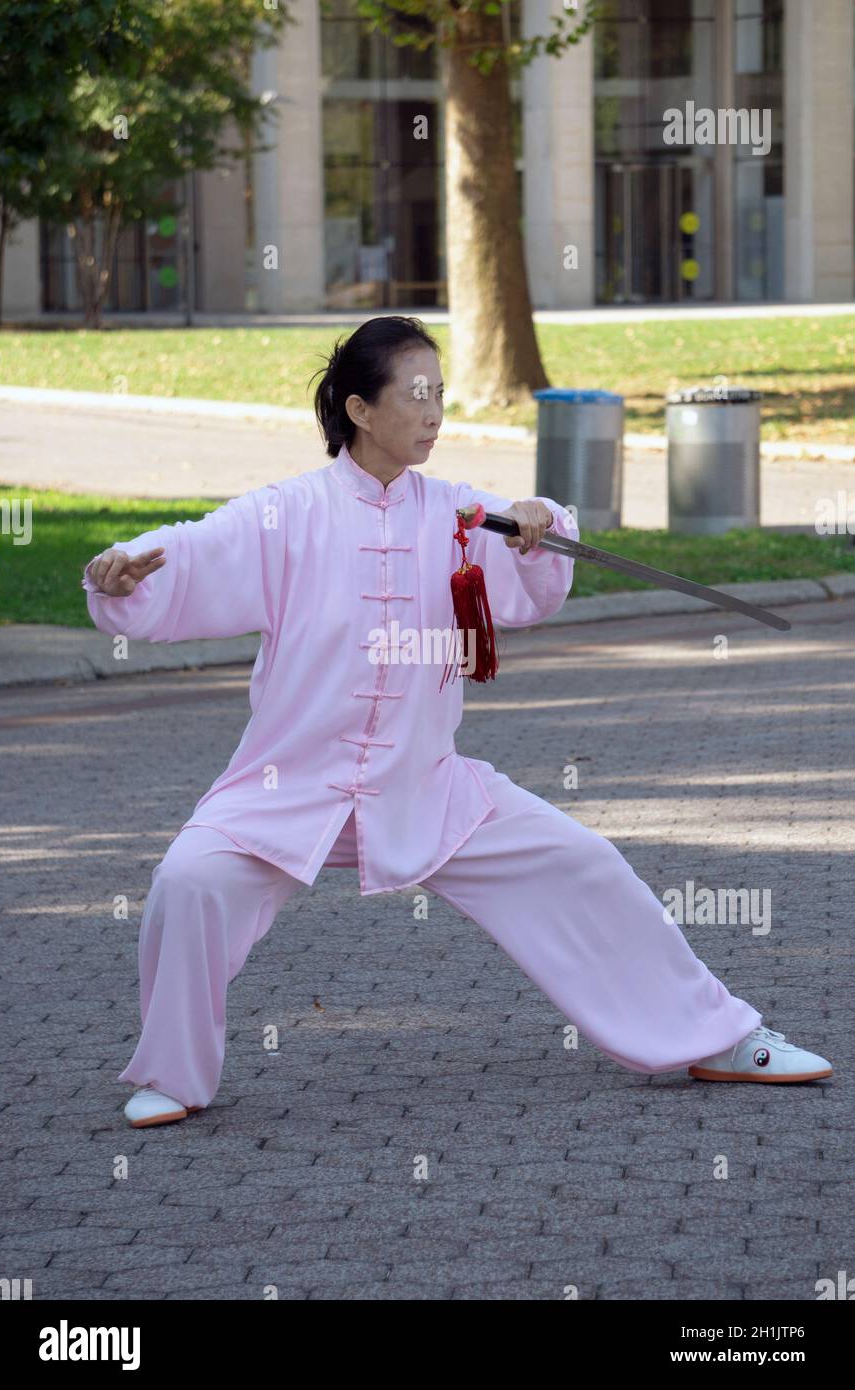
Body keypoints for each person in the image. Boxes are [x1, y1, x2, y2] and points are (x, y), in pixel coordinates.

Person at [80, 315, 832, 1129]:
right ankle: (174, 1075)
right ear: (361, 410)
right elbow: (187, 555)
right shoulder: (285, 514)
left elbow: (528, 579)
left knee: (582, 862)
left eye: (442, 392)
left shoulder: (459, 513)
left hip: (423, 786)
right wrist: (120, 575)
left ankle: (718, 1037)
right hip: (283, 789)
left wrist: (544, 528)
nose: (435, 410)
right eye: (417, 393)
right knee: (189, 882)